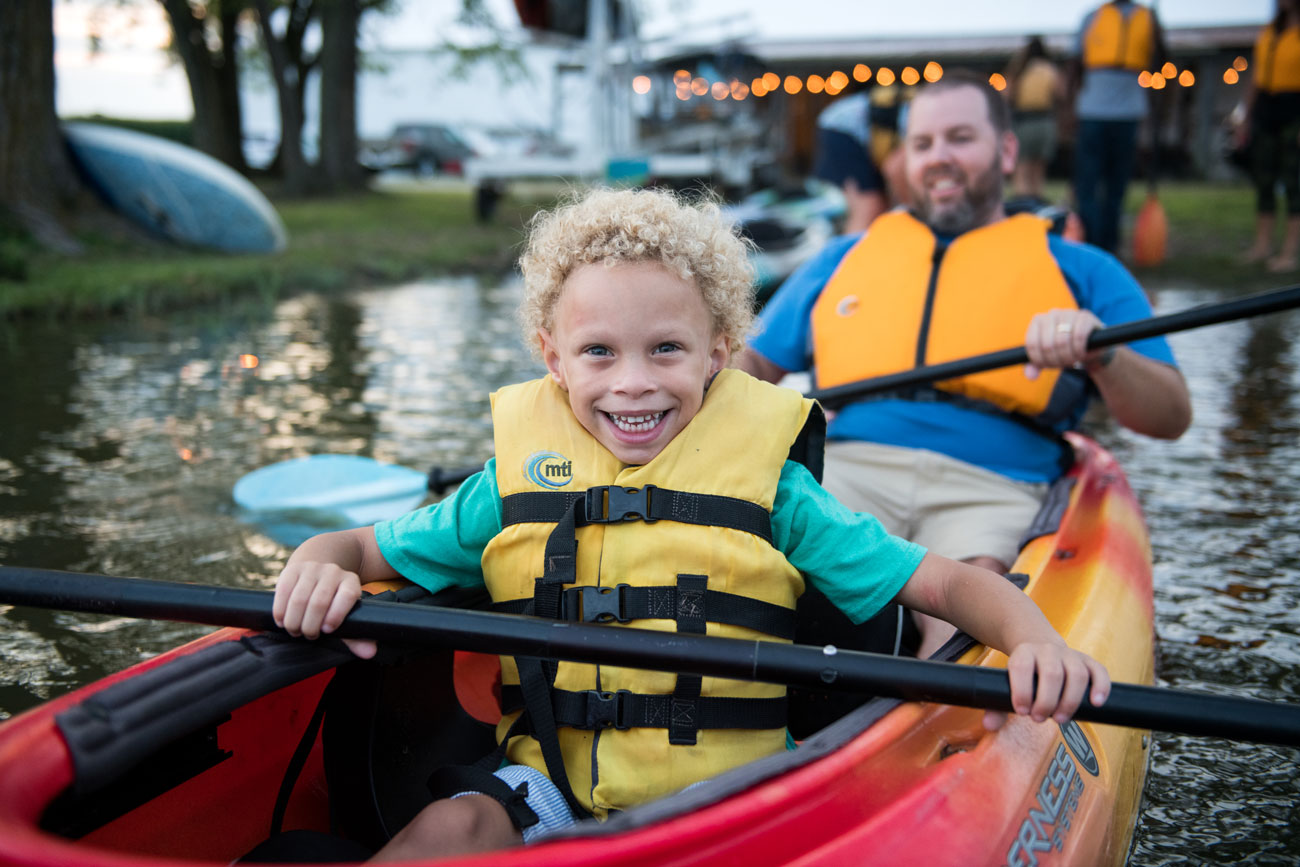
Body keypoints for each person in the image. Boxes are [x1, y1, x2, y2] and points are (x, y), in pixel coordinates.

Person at [273, 186, 1112, 860]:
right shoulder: (505, 488)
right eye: (599, 352)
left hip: (727, 799)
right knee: (447, 831)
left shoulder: (775, 493)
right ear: (551, 356)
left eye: (665, 350)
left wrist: (1032, 635)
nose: (633, 383)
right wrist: (320, 558)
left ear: (718, 351)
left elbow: (945, 581)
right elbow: (361, 545)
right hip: (552, 786)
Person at [739, 71, 1191, 658]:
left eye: (959, 138)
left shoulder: (1084, 269)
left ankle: (941, 732)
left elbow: (1170, 416)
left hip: (990, 483)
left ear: (1006, 150)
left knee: (963, 619)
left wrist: (1103, 354)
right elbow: (751, 365)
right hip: (851, 470)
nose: (939, 158)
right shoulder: (844, 258)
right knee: (756, 570)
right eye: (923, 144)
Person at [1068, 0, 1167, 254]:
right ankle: (1090, 242)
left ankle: (1110, 245)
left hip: (1128, 113)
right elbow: (1074, 64)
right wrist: (1070, 109)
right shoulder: (1092, 17)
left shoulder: (1148, 19)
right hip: (1092, 112)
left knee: (1117, 185)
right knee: (1087, 183)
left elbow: (1162, 61)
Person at [1241, 0, 1300, 271]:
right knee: (1263, 179)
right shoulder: (1269, 32)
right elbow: (1256, 76)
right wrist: (1245, 116)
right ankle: (1262, 246)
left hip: (1293, 108)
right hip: (1267, 107)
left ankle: (1289, 252)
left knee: (1293, 182)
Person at [812, 86, 888, 233]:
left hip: (843, 123)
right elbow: (870, 207)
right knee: (866, 207)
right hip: (843, 128)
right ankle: (848, 254)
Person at [1005, 36, 1065, 198]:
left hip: (1023, 121)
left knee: (1021, 168)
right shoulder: (1050, 69)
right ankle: (1036, 205)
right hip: (1045, 122)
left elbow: (1007, 94)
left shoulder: (1019, 69)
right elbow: (1061, 93)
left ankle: (1021, 205)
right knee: (1038, 170)